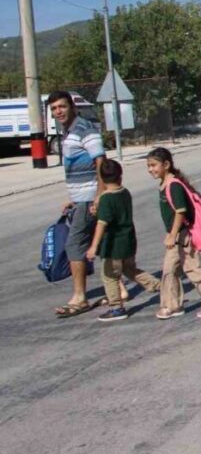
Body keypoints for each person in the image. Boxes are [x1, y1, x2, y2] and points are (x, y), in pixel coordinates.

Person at [146, 147, 201, 319]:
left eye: (154, 165)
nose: (151, 169)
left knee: (194, 270)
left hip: (182, 237)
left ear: (166, 165)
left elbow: (180, 212)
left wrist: (172, 234)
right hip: (176, 238)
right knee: (169, 271)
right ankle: (172, 306)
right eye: (149, 166)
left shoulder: (174, 185)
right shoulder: (165, 184)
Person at [49, 91, 106, 318]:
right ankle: (118, 289)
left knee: (74, 246)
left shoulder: (84, 129)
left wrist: (99, 195)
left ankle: (80, 297)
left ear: (72, 106)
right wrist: (73, 199)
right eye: (54, 109)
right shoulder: (68, 132)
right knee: (99, 244)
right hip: (80, 199)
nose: (58, 112)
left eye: (62, 106)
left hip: (90, 197)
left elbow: (100, 161)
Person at [85, 159, 160, 322]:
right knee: (130, 270)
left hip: (113, 245)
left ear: (102, 179)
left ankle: (116, 307)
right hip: (128, 240)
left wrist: (93, 246)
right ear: (120, 176)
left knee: (109, 276)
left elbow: (102, 223)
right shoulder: (124, 192)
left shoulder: (106, 198)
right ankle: (160, 286)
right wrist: (98, 209)